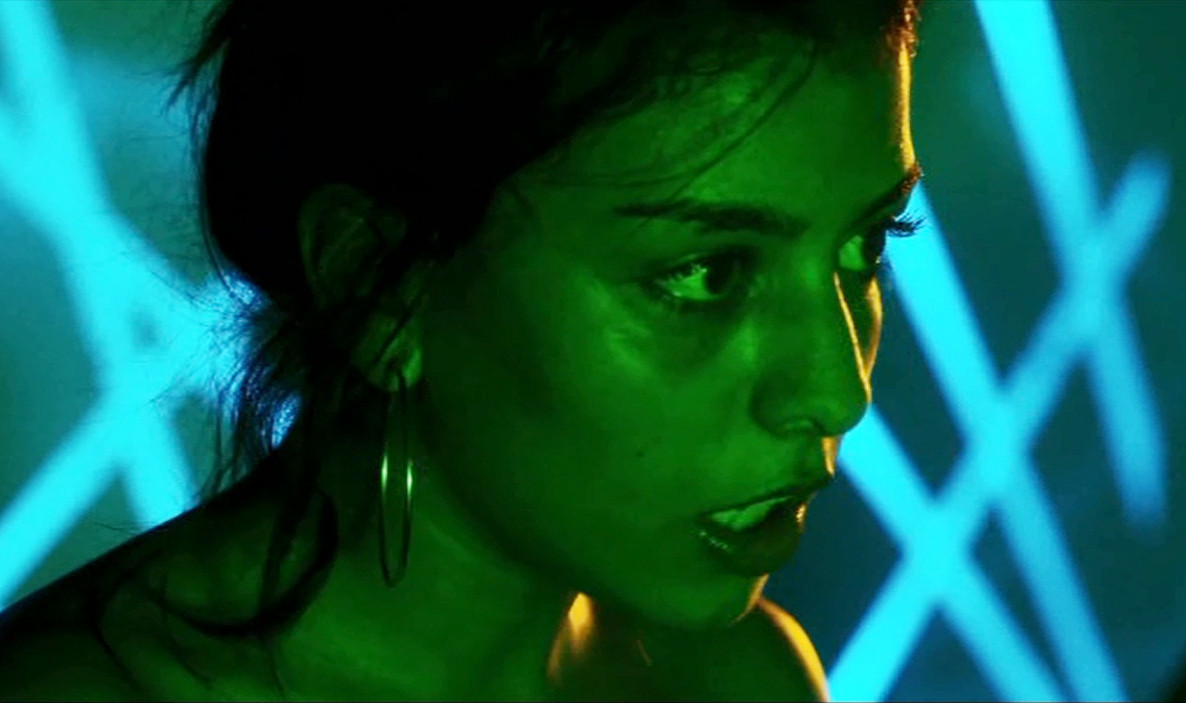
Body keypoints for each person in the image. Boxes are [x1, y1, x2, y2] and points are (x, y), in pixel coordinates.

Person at [0, 1, 927, 700]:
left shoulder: (745, 677)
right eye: (706, 274)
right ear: (380, 285)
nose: (837, 391)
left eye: (868, 242)